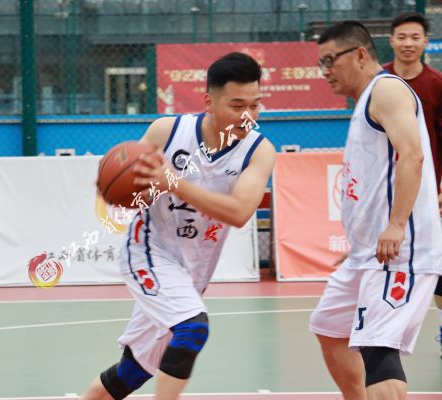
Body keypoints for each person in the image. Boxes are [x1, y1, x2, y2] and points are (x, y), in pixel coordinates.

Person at [81, 52, 275, 400]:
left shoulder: (259, 151)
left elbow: (239, 212)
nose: (248, 115)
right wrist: (119, 190)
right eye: (236, 106)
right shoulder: (167, 131)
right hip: (148, 252)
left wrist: (174, 183)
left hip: (192, 271)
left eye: (255, 105)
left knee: (130, 373)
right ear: (209, 101)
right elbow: (130, 188)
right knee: (192, 330)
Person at [309, 20, 442, 400]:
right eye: (321, 63)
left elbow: (412, 155)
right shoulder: (366, 100)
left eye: (330, 60)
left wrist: (397, 224)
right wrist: (362, 242)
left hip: (401, 251)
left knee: (377, 348)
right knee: (330, 328)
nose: (325, 71)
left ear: (360, 54)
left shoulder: (386, 90)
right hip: (368, 253)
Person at [383, 11, 442, 358]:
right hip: (386, 193)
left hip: (430, 192)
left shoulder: (436, 84)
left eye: (415, 37)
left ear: (425, 42)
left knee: (438, 266)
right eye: (402, 37)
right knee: (385, 265)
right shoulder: (378, 82)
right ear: (391, 40)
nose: (408, 43)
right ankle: (382, 327)